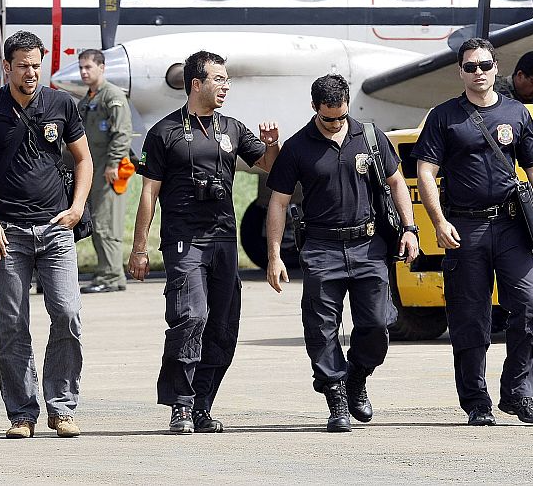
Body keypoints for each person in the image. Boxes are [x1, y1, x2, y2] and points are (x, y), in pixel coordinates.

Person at [413, 38, 533, 427]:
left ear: (496, 67)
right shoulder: (444, 117)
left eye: (484, 65)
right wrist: (438, 221)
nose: (478, 72)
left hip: (512, 225)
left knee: (528, 304)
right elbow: (425, 172)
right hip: (465, 227)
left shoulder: (516, 112)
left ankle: (518, 394)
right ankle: (476, 401)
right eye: (469, 67)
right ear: (460, 72)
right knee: (469, 317)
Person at [129, 50, 279, 435]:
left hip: (224, 239)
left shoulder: (232, 128)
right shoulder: (164, 132)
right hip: (184, 240)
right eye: (219, 79)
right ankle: (179, 405)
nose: (226, 86)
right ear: (197, 83)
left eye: (227, 79)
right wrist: (140, 247)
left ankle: (202, 406)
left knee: (223, 327)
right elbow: (149, 192)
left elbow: (270, 167)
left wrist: (272, 144)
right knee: (191, 316)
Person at [264, 74, 420, 432]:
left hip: (368, 247)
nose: (336, 124)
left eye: (341, 116)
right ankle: (335, 396)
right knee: (321, 328)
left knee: (378, 324)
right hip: (321, 248)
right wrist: (275, 254)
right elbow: (278, 201)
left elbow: (397, 181)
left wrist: (410, 229)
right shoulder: (298, 146)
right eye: (328, 118)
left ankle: (357, 377)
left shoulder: (369, 135)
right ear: (314, 107)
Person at [0, 31, 92, 440]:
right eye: (23, 65)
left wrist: (77, 208)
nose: (31, 72)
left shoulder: (61, 104)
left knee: (67, 315)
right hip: (7, 233)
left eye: (37, 64)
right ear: (7, 67)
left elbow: (84, 158)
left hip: (56, 229)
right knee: (13, 324)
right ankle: (22, 413)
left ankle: (63, 406)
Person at [77, 49, 133, 294]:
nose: (83, 72)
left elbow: (122, 133)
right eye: (81, 67)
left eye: (88, 67)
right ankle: (107, 273)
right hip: (94, 168)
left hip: (108, 169)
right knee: (97, 222)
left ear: (102, 67)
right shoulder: (88, 99)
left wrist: (113, 163)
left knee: (106, 223)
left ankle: (111, 276)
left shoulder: (112, 97)